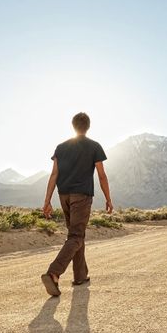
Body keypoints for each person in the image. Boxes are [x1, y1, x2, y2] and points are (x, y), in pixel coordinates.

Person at [41, 112, 113, 297]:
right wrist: (108, 198)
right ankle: (54, 273)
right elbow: (102, 175)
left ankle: (80, 276)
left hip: (63, 195)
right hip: (81, 196)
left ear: (73, 126)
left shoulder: (61, 147)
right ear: (88, 126)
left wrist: (47, 201)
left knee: (76, 236)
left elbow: (54, 174)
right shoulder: (94, 146)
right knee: (76, 236)